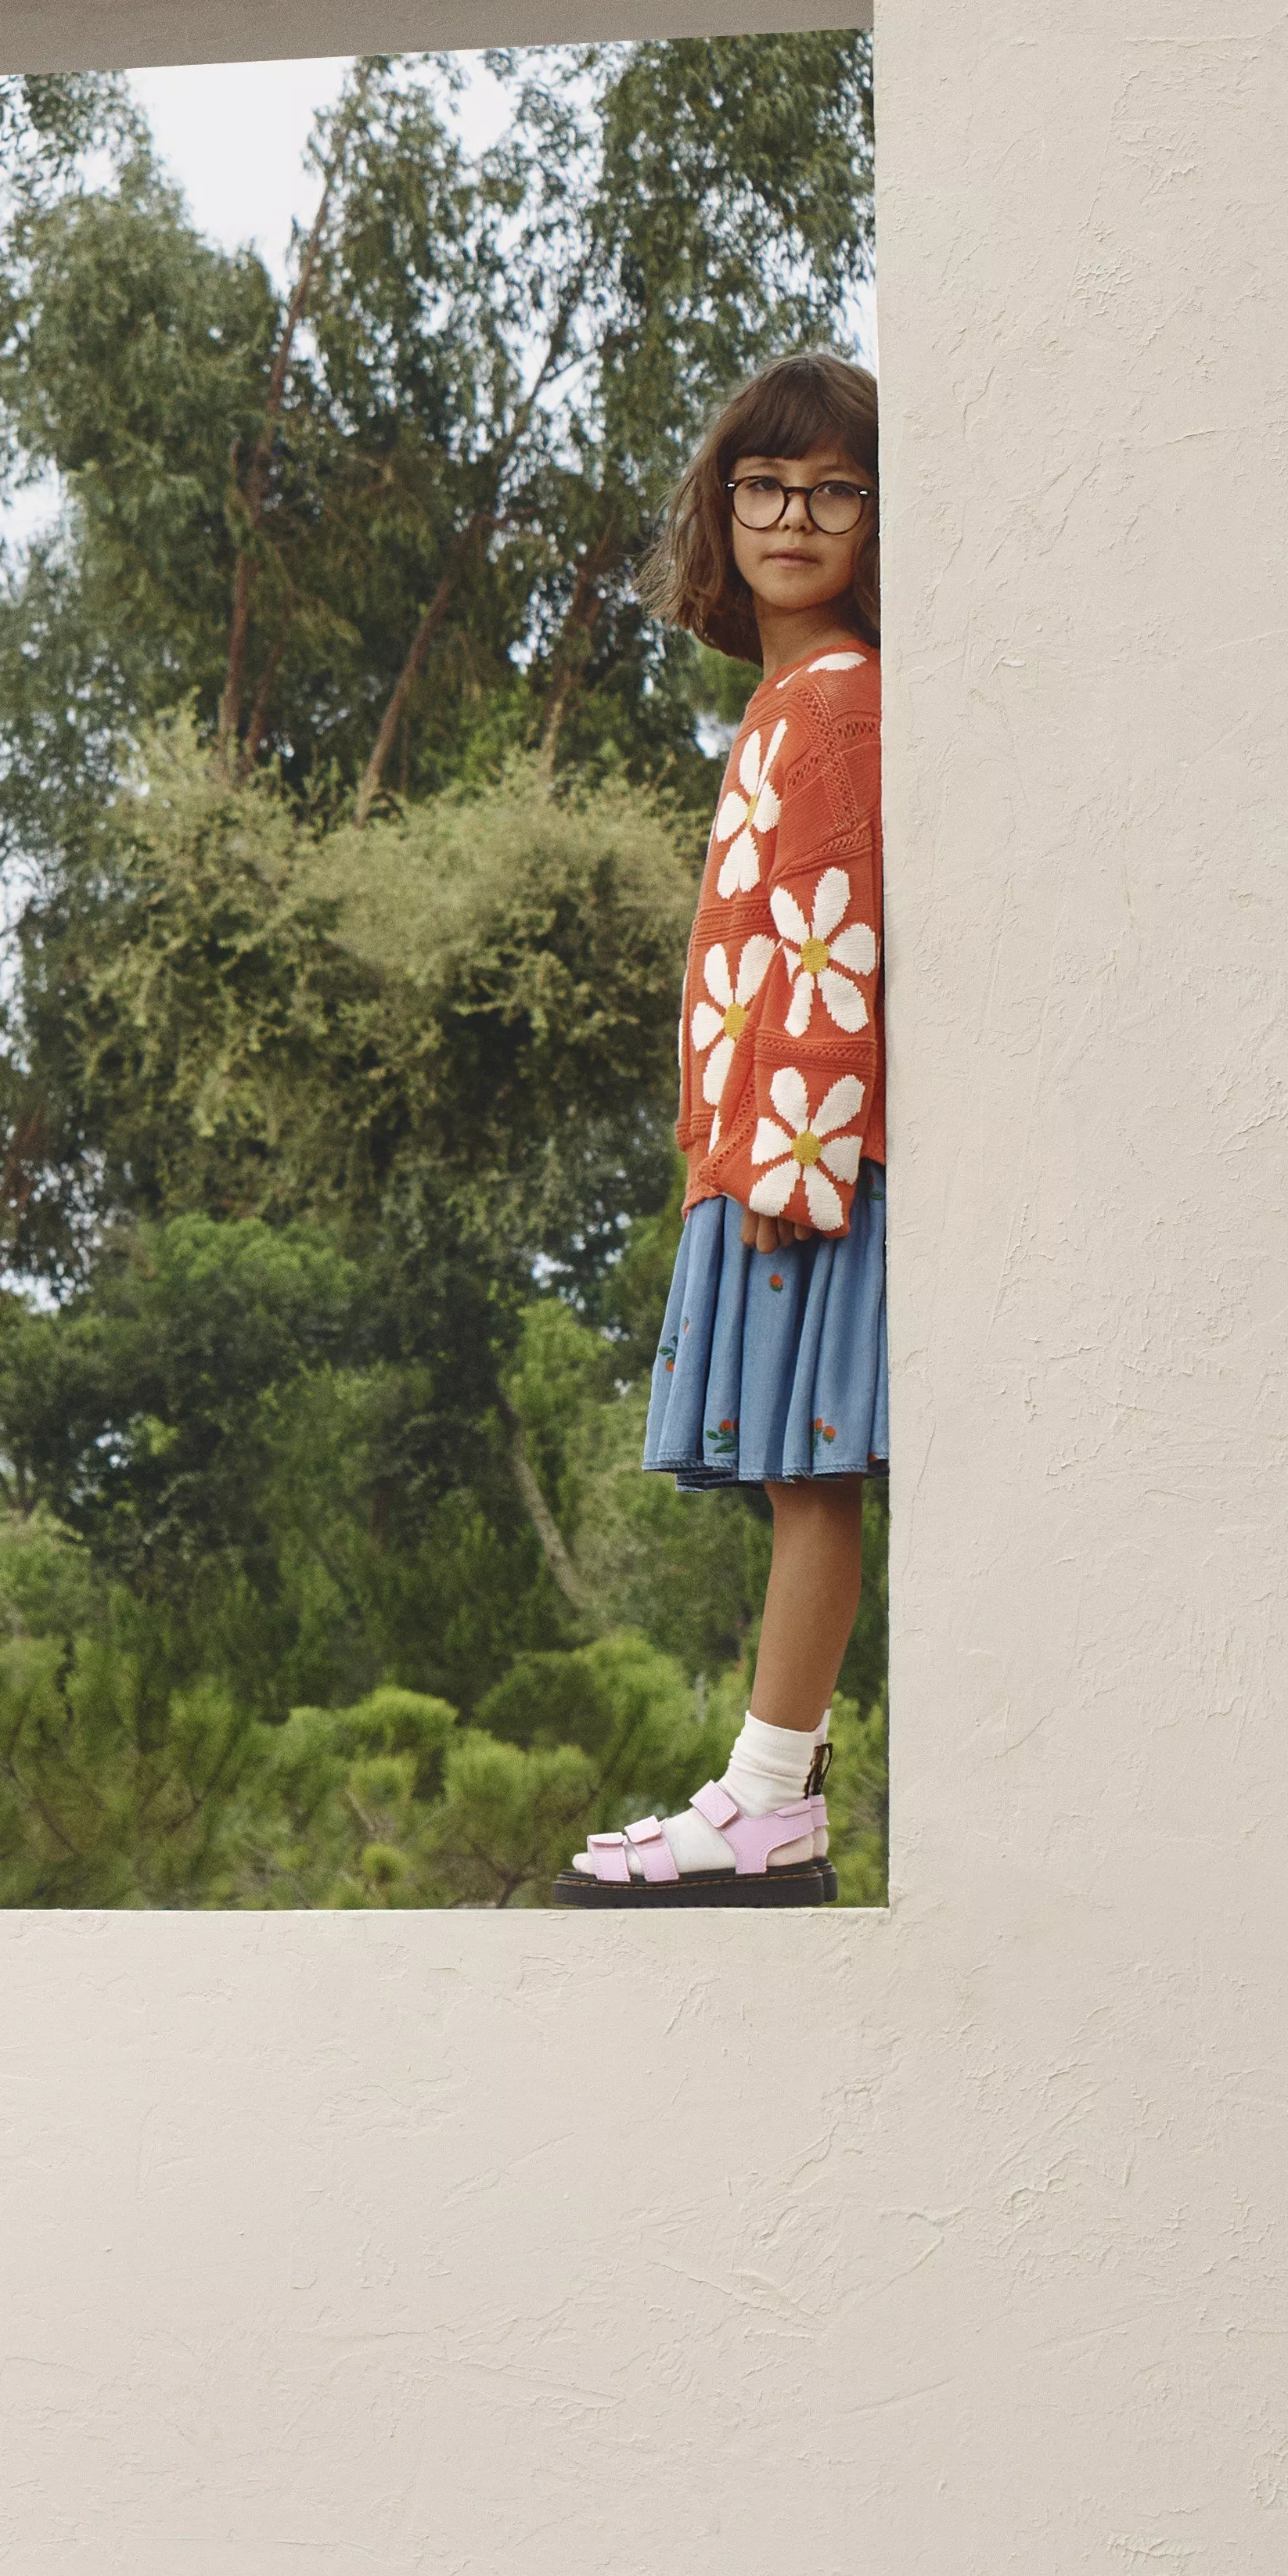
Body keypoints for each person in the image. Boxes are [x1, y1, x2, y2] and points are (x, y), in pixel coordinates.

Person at [561, 358, 887, 1907]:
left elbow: (834, 936)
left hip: (802, 1162)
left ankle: (767, 1802)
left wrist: (792, 1156)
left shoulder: (839, 702)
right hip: (768, 1152)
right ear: (722, 507)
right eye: (765, 485)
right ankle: (775, 1794)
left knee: (814, 1482)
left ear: (879, 521)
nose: (795, 517)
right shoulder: (790, 701)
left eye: (835, 490)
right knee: (794, 1481)